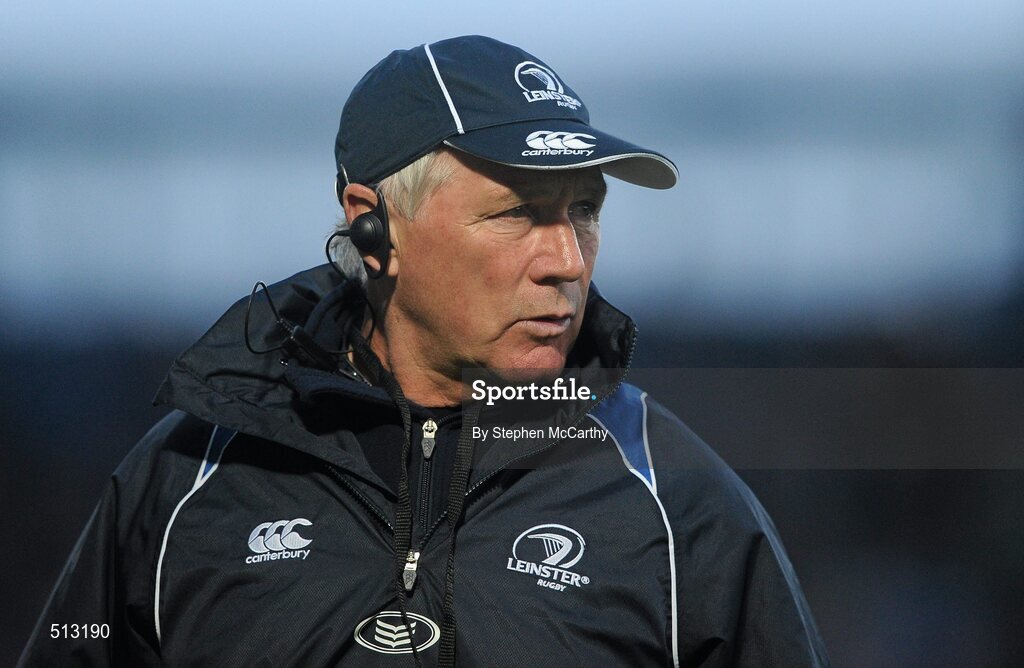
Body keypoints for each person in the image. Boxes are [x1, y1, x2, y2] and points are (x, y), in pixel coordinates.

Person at [19, 35, 828, 667]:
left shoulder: (680, 503)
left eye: (584, 210)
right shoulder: (182, 487)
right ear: (374, 227)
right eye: (516, 213)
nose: (567, 262)